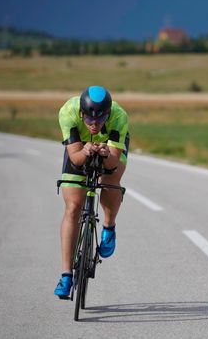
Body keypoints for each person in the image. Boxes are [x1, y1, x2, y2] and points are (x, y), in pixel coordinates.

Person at [54, 85, 129, 299]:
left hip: (109, 149)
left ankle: (109, 226)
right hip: (79, 148)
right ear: (81, 113)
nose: (94, 124)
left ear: (108, 113)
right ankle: (66, 275)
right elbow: (76, 159)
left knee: (110, 181)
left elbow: (113, 163)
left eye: (100, 119)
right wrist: (85, 150)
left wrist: (105, 154)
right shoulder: (68, 112)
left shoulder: (118, 117)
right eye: (89, 119)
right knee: (73, 208)